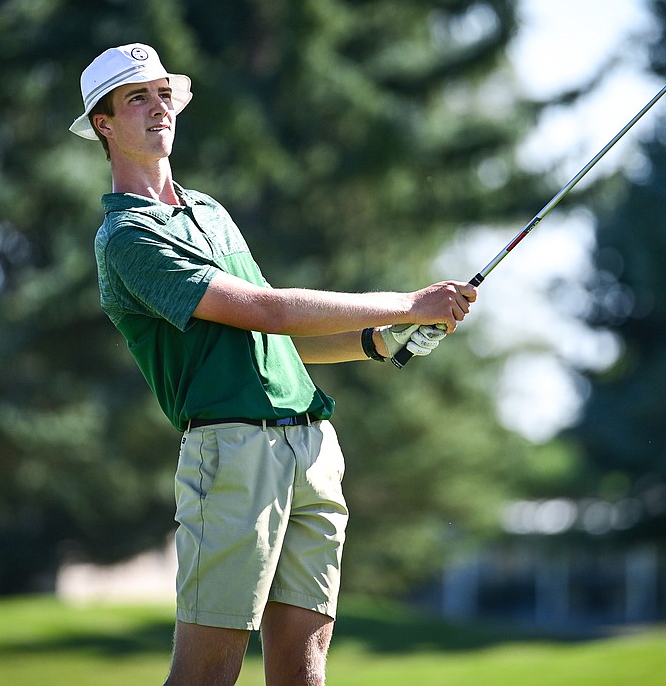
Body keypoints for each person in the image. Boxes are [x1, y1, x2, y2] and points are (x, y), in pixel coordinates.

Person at [70, 43, 477, 686]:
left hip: (310, 447)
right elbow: (268, 311)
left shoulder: (208, 210)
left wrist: (376, 340)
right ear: (104, 123)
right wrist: (409, 303)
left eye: (163, 93)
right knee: (209, 669)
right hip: (230, 454)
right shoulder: (127, 237)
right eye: (136, 98)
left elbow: (275, 340)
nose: (158, 107)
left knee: (303, 669)